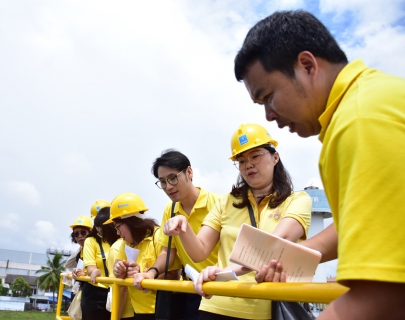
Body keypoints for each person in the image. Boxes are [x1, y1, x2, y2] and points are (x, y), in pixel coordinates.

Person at [233, 9, 405, 319]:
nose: (269, 115)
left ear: (307, 66)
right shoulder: (371, 100)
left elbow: (384, 294)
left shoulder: (359, 122)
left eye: (268, 96)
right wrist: (285, 256)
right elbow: (367, 225)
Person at [163, 123, 312, 319]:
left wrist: (223, 273)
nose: (248, 164)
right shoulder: (226, 202)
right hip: (217, 306)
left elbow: (274, 245)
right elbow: (199, 252)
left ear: (275, 157)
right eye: (241, 160)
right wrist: (182, 226)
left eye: (255, 156)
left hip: (268, 310)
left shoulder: (297, 201)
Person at [133, 149, 220, 320]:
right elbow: (168, 252)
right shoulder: (170, 209)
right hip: (190, 289)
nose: (168, 187)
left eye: (173, 178)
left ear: (189, 172)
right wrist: (150, 273)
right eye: (163, 182)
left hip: (218, 289)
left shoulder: (217, 203)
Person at [106, 192, 182, 320]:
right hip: (139, 311)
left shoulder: (159, 237)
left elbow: (174, 274)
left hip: (161, 310)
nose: (118, 233)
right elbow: (119, 275)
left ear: (131, 222)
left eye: (119, 227)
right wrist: (119, 270)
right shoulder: (126, 244)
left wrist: (144, 274)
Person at [79, 207, 120, 320]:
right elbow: (91, 266)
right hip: (95, 293)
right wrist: (94, 271)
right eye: (97, 229)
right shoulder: (91, 241)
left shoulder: (122, 240)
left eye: (102, 230)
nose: (99, 232)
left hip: (118, 291)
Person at [106, 237, 135, 319]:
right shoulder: (121, 245)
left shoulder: (117, 246)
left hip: (124, 308)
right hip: (129, 308)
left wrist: (117, 316)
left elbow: (122, 287)